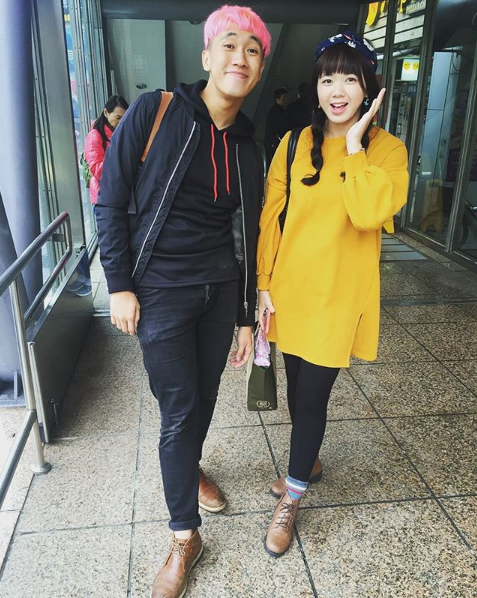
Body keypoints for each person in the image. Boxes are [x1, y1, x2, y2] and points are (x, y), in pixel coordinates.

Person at [96, 5, 271, 597]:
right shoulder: (157, 111)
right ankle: (183, 537)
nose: (240, 57)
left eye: (253, 50)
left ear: (259, 69)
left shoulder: (249, 147)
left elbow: (246, 236)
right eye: (230, 45)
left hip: (219, 294)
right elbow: (110, 199)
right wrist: (120, 284)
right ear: (206, 57)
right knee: (178, 409)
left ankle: (190, 466)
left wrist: (244, 316)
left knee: (204, 397)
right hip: (161, 290)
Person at [257, 31, 409, 558]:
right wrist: (263, 284)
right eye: (327, 79)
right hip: (291, 291)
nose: (337, 90)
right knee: (297, 389)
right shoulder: (293, 142)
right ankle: (309, 462)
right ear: (315, 87)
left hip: (339, 297)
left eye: (349, 78)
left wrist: (354, 147)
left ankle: (292, 497)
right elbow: (271, 218)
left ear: (369, 88)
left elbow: (368, 214)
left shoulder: (388, 150)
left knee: (311, 399)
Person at [84, 95, 129, 207]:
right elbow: (97, 169)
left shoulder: (120, 133)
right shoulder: (95, 136)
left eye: (124, 118)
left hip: (118, 193)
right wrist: (120, 159)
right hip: (103, 198)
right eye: (118, 117)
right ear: (106, 113)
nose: (121, 122)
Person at [264, 87, 288, 167]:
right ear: (277, 98)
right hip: (274, 143)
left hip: (269, 142)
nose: (286, 100)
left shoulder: (273, 110)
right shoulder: (279, 112)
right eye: (284, 97)